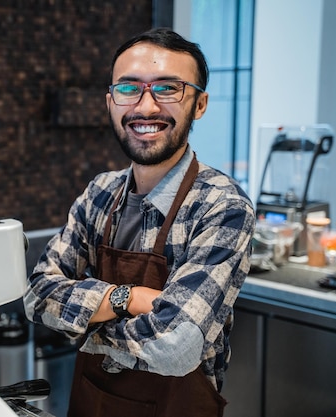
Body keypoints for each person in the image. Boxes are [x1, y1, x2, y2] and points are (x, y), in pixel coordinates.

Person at [23, 27, 255, 417]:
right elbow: (37, 295)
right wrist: (125, 298)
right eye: (129, 89)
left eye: (168, 89)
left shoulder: (222, 207)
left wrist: (83, 322)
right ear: (111, 101)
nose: (145, 107)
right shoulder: (100, 192)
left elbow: (173, 347)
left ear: (200, 104)